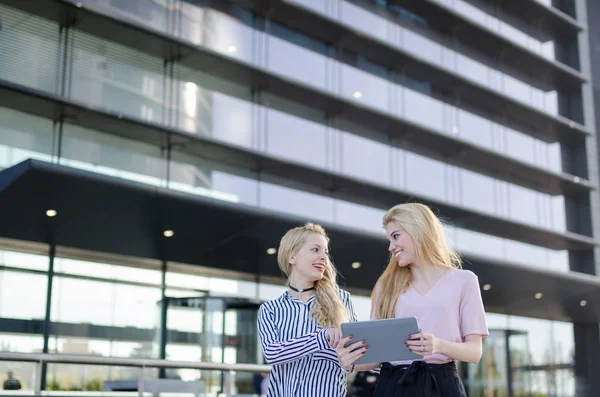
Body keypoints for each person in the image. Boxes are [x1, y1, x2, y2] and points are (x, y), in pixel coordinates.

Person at [335, 203, 488, 397]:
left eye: (396, 236)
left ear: (418, 230)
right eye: (389, 240)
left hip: (442, 386)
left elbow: (475, 352)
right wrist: (349, 362)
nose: (391, 247)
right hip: (392, 386)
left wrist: (438, 345)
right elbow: (375, 357)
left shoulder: (464, 280)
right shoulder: (386, 286)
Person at [257, 222, 358, 396]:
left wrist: (349, 362)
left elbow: (355, 352)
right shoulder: (270, 309)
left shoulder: (341, 300)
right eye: (315, 249)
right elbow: (273, 353)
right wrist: (321, 337)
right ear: (292, 257)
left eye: (325, 252)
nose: (324, 257)